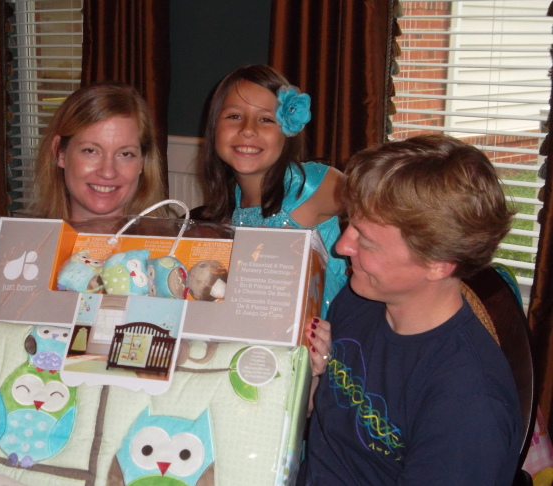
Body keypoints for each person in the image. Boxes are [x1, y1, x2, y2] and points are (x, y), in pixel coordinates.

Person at [298, 134, 522, 485]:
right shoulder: (360, 301)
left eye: (365, 240)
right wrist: (314, 374)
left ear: (438, 263)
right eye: (350, 225)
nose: (342, 246)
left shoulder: (469, 404)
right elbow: (320, 422)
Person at [0, 82, 168, 379]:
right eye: (91, 150)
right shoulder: (28, 246)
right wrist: (33, 350)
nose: (108, 171)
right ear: (60, 153)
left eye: (125, 154)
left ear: (142, 163)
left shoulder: (165, 254)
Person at [198, 65, 347, 362]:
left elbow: (385, 209)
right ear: (214, 126)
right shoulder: (233, 205)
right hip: (271, 356)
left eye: (266, 119)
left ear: (287, 132)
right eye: (234, 116)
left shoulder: (315, 185)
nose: (248, 129)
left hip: (333, 355)